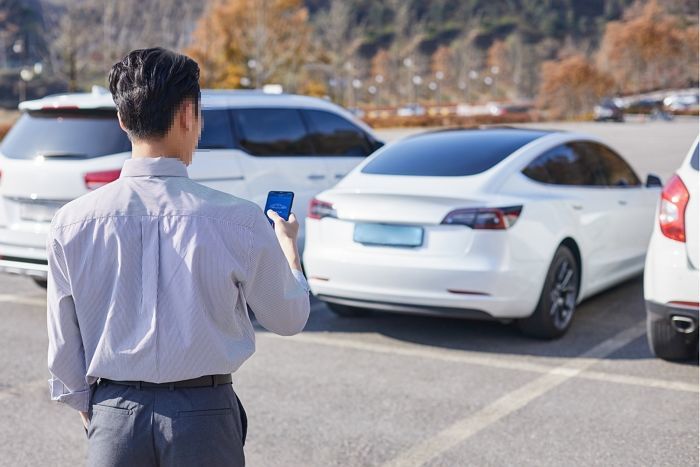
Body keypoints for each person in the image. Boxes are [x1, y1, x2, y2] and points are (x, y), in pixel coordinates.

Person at [46, 47, 310, 466]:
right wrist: (289, 250)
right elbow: (288, 318)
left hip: (113, 414)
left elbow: (64, 346)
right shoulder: (238, 219)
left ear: (122, 119)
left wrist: (100, 416)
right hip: (204, 414)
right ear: (189, 114)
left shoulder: (72, 221)